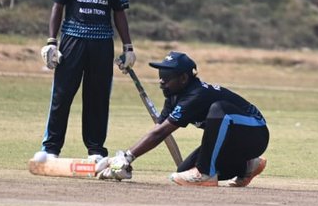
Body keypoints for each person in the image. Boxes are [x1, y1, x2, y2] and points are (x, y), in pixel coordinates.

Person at [33, 0, 136, 163]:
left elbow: (119, 12)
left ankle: (96, 150)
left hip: (101, 44)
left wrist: (128, 47)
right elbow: (57, 7)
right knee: (62, 95)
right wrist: (51, 41)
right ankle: (50, 149)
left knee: (97, 98)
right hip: (72, 41)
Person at [96, 51, 269, 187]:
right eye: (160, 78)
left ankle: (205, 175)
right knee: (184, 171)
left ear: (184, 78)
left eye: (166, 78)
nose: (161, 82)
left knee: (219, 110)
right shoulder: (173, 97)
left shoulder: (196, 94)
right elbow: (159, 131)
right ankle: (247, 166)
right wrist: (120, 163)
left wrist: (127, 156)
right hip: (233, 142)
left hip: (255, 133)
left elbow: (161, 132)